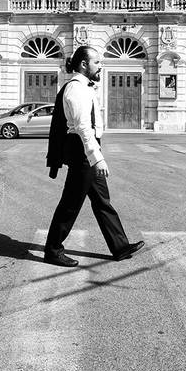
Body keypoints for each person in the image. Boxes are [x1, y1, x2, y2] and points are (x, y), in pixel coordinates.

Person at [43, 45, 144, 267]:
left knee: (102, 201)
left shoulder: (85, 88)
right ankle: (52, 249)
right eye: (96, 62)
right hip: (82, 151)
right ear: (84, 64)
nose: (100, 66)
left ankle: (120, 246)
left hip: (86, 150)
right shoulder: (76, 89)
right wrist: (97, 158)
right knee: (70, 204)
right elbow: (83, 128)